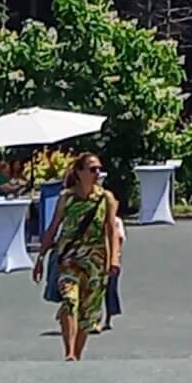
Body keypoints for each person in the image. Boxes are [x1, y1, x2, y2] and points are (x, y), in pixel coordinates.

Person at [31, 152, 118, 362]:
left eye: (99, 169)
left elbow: (111, 230)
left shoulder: (106, 198)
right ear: (79, 173)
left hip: (95, 262)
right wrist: (40, 258)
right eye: (92, 169)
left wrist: (114, 260)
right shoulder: (66, 198)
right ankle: (69, 351)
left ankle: (77, 355)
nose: (97, 173)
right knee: (70, 300)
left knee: (88, 312)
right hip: (68, 259)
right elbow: (53, 228)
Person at [100, 201, 126, 332]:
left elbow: (120, 239)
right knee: (96, 290)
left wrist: (114, 256)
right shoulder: (97, 220)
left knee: (110, 290)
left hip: (112, 260)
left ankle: (108, 319)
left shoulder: (117, 221)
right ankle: (95, 319)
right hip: (98, 259)